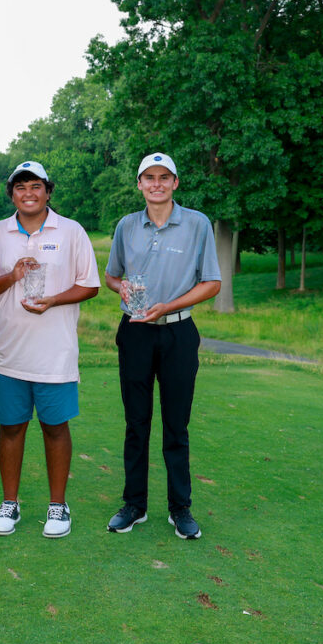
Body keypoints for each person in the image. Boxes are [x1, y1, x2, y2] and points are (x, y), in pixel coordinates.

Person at [0, 161, 99, 538]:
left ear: (48, 191)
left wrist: (54, 300)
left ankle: (58, 505)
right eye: (20, 187)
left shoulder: (71, 231)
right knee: (11, 427)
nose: (28, 193)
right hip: (9, 351)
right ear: (11, 194)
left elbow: (90, 284)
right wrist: (13, 275)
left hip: (55, 353)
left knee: (55, 428)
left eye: (35, 186)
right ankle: (9, 503)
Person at [104, 153, 221, 540]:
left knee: (176, 425)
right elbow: (112, 276)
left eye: (164, 177)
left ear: (175, 182)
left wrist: (167, 306)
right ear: (139, 184)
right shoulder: (126, 225)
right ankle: (134, 505)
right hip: (135, 331)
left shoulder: (197, 224)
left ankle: (180, 508)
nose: (156, 184)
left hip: (178, 332)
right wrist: (122, 287)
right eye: (149, 178)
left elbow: (212, 283)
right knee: (136, 423)